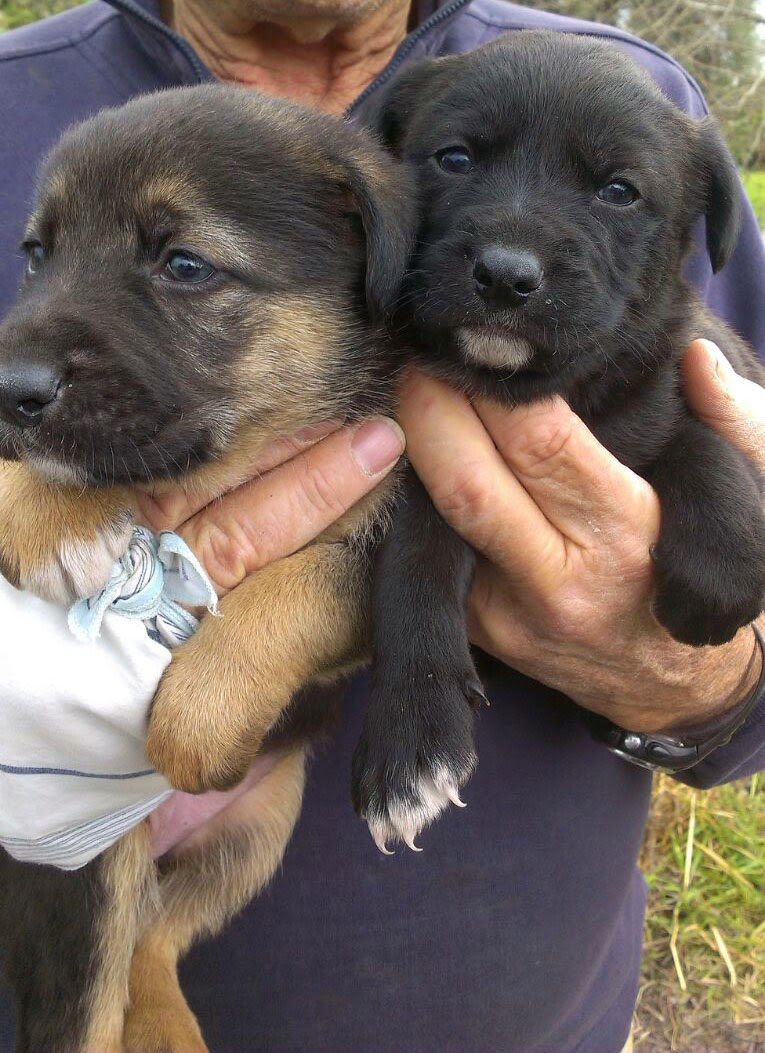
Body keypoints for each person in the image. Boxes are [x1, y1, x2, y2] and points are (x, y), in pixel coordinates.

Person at [0, 1, 763, 1050]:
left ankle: (152, 953)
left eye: (183, 265)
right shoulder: (19, 94)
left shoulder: (645, 101)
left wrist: (703, 681)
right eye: (456, 164)